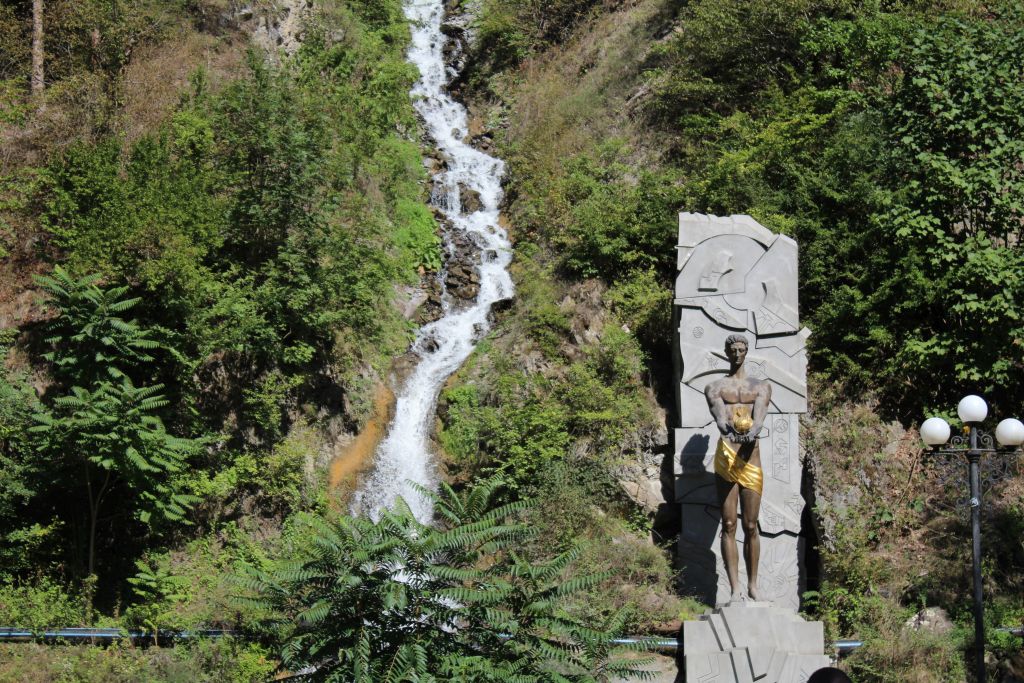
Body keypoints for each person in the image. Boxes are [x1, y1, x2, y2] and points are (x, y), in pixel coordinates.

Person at [704, 333, 772, 602]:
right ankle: (735, 588)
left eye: (741, 349)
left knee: (751, 524)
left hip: (751, 456)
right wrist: (730, 428)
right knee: (729, 523)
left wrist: (752, 430)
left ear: (747, 352)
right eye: (732, 349)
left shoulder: (761, 386)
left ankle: (753, 585)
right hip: (727, 458)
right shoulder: (715, 387)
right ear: (726, 352)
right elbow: (720, 418)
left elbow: (760, 418)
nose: (737, 354)